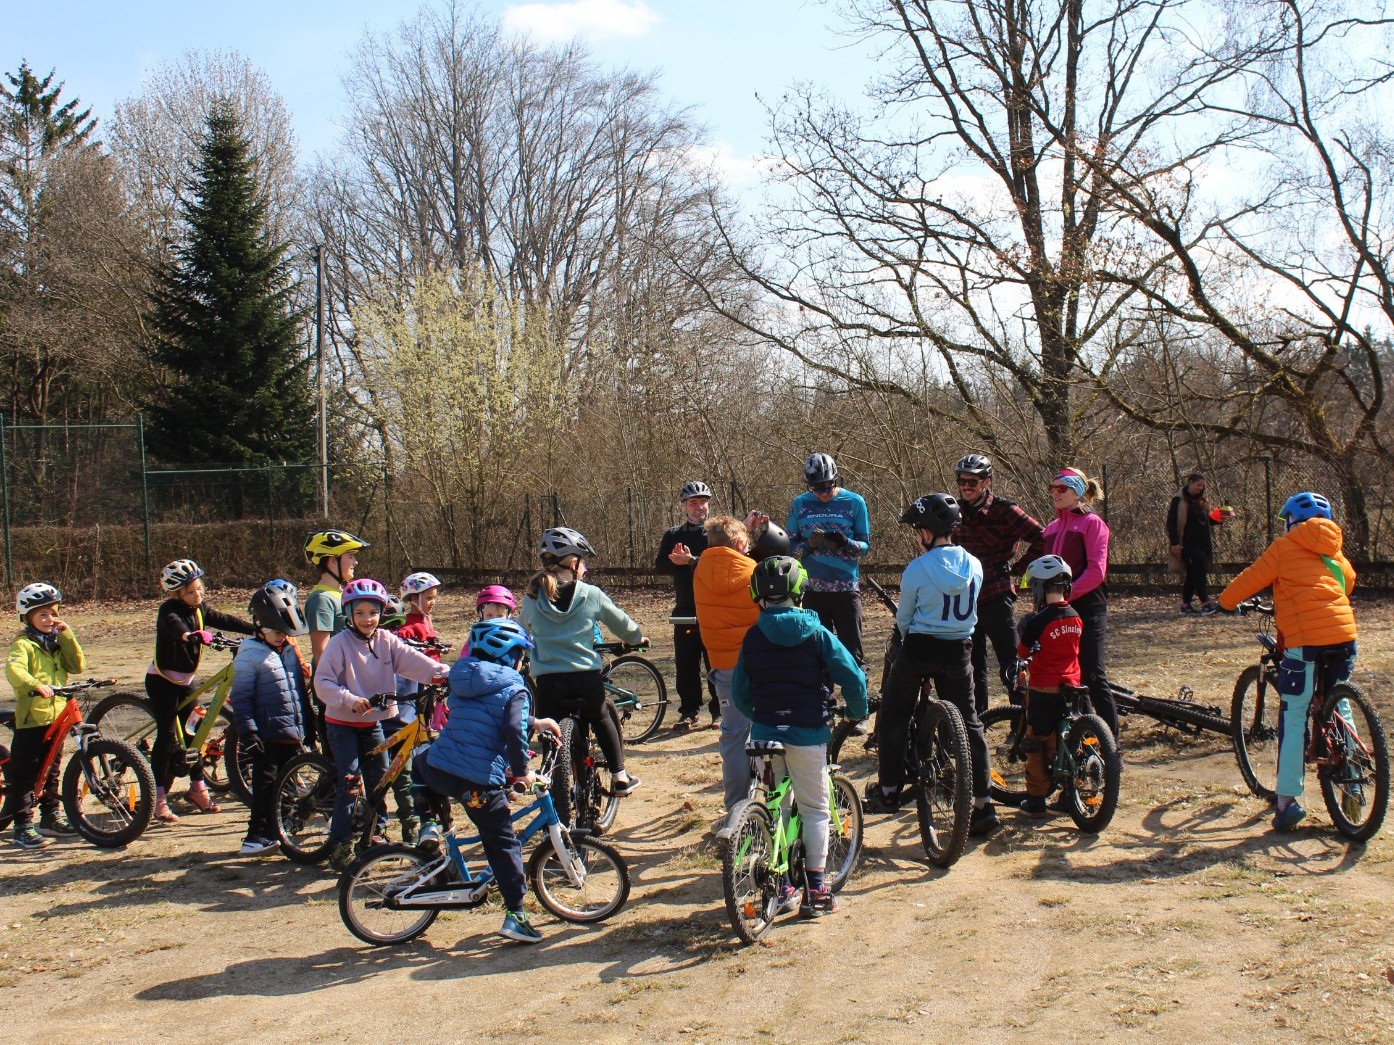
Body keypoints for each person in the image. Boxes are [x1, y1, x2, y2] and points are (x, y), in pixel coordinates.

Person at [732, 556, 867, 917]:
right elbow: (852, 676)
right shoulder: (817, 632)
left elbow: (740, 691)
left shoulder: (753, 636)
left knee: (777, 802)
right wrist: (857, 710)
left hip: (765, 733)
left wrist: (760, 717)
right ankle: (817, 889)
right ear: (800, 592)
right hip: (807, 731)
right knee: (815, 808)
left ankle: (781, 884)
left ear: (758, 596)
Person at [1217, 492, 1357, 831]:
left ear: (1292, 520)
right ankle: (1352, 780)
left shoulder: (1285, 547)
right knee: (1339, 700)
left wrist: (1224, 602)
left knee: (1294, 714)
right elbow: (1348, 583)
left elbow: (1251, 578)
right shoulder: (1334, 547)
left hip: (1305, 640)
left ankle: (1287, 802)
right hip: (1344, 635)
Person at [416, 617, 560, 943]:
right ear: (510, 655)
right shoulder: (516, 687)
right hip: (478, 782)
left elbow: (487, 711)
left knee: (420, 758)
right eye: (521, 654)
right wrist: (522, 771)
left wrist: (535, 722)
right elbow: (512, 729)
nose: (522, 661)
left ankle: (431, 821)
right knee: (503, 843)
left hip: (441, 770)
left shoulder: (464, 677)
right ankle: (516, 916)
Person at [865, 494, 999, 836]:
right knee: (970, 724)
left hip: (920, 648)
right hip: (959, 650)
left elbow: (905, 618)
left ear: (926, 532)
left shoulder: (917, 569)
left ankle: (889, 791)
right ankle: (984, 804)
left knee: (894, 715)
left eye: (917, 531)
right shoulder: (975, 564)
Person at [314, 577, 449, 871]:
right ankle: (340, 844)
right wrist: (349, 699)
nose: (367, 619)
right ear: (348, 614)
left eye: (373, 612)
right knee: (351, 782)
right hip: (343, 722)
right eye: (360, 613)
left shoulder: (386, 640)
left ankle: (371, 834)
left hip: (373, 722)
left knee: (380, 782)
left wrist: (442, 673)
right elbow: (322, 683)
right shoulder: (339, 644)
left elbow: (412, 661)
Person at [520, 527, 645, 797]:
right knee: (601, 717)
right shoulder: (590, 593)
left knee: (551, 735)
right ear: (573, 563)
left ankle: (550, 784)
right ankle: (620, 777)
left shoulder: (532, 597)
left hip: (549, 683)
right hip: (585, 679)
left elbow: (519, 633)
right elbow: (623, 624)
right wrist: (637, 637)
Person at [146, 558, 255, 821]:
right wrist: (190, 635)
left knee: (194, 734)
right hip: (162, 682)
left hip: (185, 681)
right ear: (177, 593)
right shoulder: (168, 610)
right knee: (167, 735)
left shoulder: (200, 608)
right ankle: (158, 798)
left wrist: (255, 629)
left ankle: (197, 788)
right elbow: (175, 626)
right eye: (191, 591)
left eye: (199, 588)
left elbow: (222, 619)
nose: (198, 594)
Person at [952, 453, 1045, 712]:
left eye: (973, 481)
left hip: (996, 592)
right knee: (971, 667)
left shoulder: (1005, 510)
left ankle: (1021, 722)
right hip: (965, 596)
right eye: (962, 481)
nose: (966, 487)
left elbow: (1042, 537)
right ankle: (976, 724)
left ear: (987, 482)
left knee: (1011, 664)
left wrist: (1018, 569)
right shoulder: (954, 510)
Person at [228, 580, 313, 855]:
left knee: (286, 785)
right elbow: (241, 698)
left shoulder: (287, 651)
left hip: (289, 732)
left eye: (285, 631)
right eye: (275, 630)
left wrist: (308, 724)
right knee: (266, 785)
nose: (281, 636)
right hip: (265, 735)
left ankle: (280, 829)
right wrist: (248, 732)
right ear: (258, 625)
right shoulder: (250, 655)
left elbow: (299, 691)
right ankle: (255, 836)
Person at [2, 583, 84, 848]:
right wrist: (35, 684)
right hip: (33, 719)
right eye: (43, 615)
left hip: (56, 717)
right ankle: (22, 827)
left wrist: (67, 635)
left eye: (53, 613)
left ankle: (50, 817)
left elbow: (77, 665)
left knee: (52, 771)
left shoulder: (56, 642)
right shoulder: (23, 644)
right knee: (25, 774)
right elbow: (14, 670)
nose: (50, 619)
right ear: (28, 618)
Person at [1042, 468, 1118, 744]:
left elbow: (1097, 571)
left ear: (1077, 491)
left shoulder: (1092, 523)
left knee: (1093, 676)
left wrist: (1066, 593)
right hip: (1057, 610)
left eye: (1061, 488)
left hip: (1088, 607)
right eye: (1052, 488)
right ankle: (1082, 738)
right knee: (1068, 677)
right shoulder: (1051, 528)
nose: (1055, 493)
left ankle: (1112, 746)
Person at [693, 515, 762, 816]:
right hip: (757, 661)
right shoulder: (752, 570)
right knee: (770, 728)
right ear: (738, 543)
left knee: (733, 735)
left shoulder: (699, 570)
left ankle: (735, 807)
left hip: (722, 662)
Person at [786, 453, 871, 691]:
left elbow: (865, 546)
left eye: (827, 486)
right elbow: (789, 546)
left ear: (836, 479)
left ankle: (858, 704)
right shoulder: (799, 504)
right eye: (816, 488)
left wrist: (846, 543)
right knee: (817, 652)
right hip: (813, 590)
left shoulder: (854, 502)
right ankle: (824, 703)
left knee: (852, 651)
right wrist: (808, 546)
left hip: (846, 589)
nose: (822, 493)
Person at [1013, 556, 1084, 818]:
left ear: (1039, 588)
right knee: (1069, 740)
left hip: (1044, 689)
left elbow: (1023, 652)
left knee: (1037, 743)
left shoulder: (1037, 621)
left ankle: (1035, 800)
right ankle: (1070, 794)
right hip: (1072, 686)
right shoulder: (1076, 617)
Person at [654, 480, 716, 728]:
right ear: (684, 506)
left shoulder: (717, 532)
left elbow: (722, 563)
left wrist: (692, 560)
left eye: (703, 502)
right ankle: (689, 711)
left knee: (715, 662)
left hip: (714, 607)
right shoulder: (673, 534)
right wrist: (675, 561)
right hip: (685, 606)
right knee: (686, 663)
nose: (699, 507)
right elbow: (660, 566)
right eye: (693, 503)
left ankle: (719, 711)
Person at [1167, 471, 1234, 615]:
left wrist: (1220, 516)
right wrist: (1174, 543)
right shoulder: (1179, 500)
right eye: (1198, 485)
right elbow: (1171, 522)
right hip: (1186, 543)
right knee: (1200, 570)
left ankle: (1186, 606)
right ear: (1190, 483)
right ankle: (1205, 604)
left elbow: (1205, 521)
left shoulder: (1202, 500)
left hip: (1202, 543)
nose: (1201, 488)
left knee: (1192, 574)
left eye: (1203, 486)